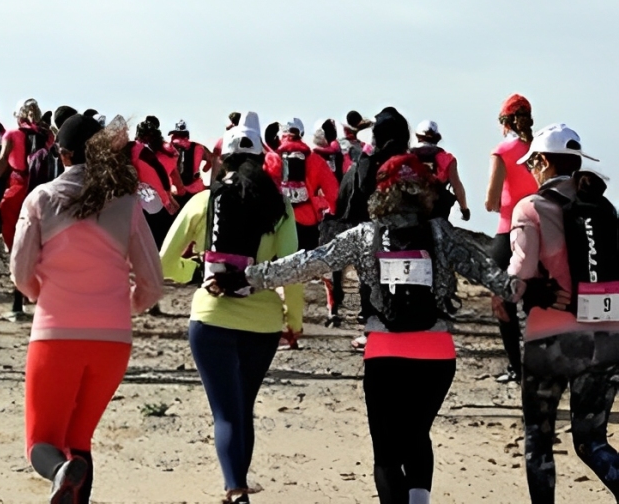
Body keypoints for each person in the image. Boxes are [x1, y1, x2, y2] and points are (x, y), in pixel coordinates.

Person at [211, 153, 517, 504]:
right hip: (437, 355)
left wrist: (247, 278)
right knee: (417, 437)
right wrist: (536, 289)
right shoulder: (441, 233)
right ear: (425, 192)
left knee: (386, 457)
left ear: (380, 193)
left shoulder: (363, 236)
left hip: (384, 354)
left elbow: (306, 264)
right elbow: (493, 275)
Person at [11, 114, 164, 503]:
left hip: (56, 333)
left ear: (61, 153)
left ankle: (59, 471)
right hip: (113, 341)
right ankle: (72, 479)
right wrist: (124, 307)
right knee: (79, 439)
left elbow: (21, 271)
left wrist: (36, 295)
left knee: (41, 442)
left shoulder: (42, 199)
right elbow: (152, 283)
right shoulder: (127, 203)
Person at [159, 112, 302, 504]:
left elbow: (165, 264)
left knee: (225, 411)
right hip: (263, 322)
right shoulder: (280, 207)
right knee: (244, 407)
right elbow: (290, 271)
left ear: (223, 160)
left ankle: (235, 487)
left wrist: (199, 272)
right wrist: (295, 320)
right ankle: (237, 483)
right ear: (261, 160)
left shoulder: (204, 202)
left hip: (211, 316)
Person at [508, 124, 619, 503]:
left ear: (541, 161)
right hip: (605, 337)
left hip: (550, 340)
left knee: (539, 438)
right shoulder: (604, 209)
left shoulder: (531, 208)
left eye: (531, 163)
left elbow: (520, 275)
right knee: (591, 441)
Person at [330, 107, 412, 335]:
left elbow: (350, 200)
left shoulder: (365, 163)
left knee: (370, 275)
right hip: (406, 239)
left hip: (371, 231)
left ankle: (370, 320)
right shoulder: (410, 164)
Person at [485, 93, 539, 385]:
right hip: (540, 235)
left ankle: (516, 369)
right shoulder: (541, 150)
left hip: (508, 233)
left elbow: (491, 201)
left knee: (501, 301)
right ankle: (537, 367)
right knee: (536, 305)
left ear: (504, 122)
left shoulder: (502, 151)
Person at [0, 99, 55, 320]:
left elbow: (2, 164)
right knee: (39, 248)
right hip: (41, 195)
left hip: (17, 193)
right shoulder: (47, 137)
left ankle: (17, 304)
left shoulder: (11, 135)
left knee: (17, 250)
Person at [265, 118, 340, 253]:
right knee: (306, 266)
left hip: (279, 219)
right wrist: (329, 210)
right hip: (307, 219)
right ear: (301, 134)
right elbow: (333, 191)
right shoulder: (315, 159)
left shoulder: (272, 158)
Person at [130, 116, 180, 248]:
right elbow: (163, 173)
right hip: (159, 200)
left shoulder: (137, 150)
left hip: (145, 202)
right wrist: (169, 196)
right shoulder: (162, 152)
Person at [410, 120, 470, 221]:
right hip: (437, 207)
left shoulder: (407, 155)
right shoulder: (446, 158)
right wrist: (464, 210)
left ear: (417, 136)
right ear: (437, 138)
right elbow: (457, 187)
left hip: (412, 203)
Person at [169, 120, 210, 206]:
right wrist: (205, 168)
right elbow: (212, 159)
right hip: (196, 190)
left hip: (175, 191)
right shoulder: (199, 147)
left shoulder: (168, 148)